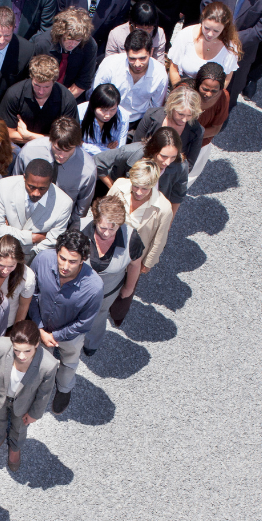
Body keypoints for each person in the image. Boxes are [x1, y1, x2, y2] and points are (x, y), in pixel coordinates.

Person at [29, 229, 104, 414]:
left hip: (71, 335)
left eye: (72, 261)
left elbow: (84, 323)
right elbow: (31, 294)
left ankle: (64, 389)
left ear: (83, 259)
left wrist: (55, 336)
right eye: (62, 258)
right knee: (40, 362)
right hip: (41, 328)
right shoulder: (42, 260)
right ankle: (38, 390)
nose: (65, 266)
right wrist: (40, 329)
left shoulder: (94, 286)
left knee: (69, 364)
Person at [0, 319, 57, 469]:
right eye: (17, 350)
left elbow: (44, 393)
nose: (21, 356)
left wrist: (35, 413)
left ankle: (15, 447)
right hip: (1, 396)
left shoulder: (48, 364)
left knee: (20, 427)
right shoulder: (2, 345)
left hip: (25, 403)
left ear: (36, 344)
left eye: (27, 351)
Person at [81, 193, 144, 353]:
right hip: (77, 289)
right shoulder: (79, 228)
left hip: (107, 293)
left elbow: (135, 265)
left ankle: (91, 344)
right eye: (102, 228)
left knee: (98, 318)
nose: (107, 233)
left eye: (113, 228)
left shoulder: (131, 237)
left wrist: (128, 289)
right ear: (95, 220)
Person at [15, 115, 97, 225]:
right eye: (57, 149)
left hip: (59, 225)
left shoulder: (87, 170)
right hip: (23, 217)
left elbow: (80, 210)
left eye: (68, 150)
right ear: (51, 140)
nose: (61, 155)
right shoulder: (29, 152)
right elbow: (14, 186)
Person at [106, 157, 173, 290]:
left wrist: (147, 264)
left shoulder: (164, 208)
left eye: (145, 189)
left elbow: (159, 240)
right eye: (135, 186)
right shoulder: (119, 185)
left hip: (132, 258)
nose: (138, 192)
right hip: (107, 245)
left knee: (123, 291)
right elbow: (103, 211)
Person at [0, 158, 73, 258]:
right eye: (31, 187)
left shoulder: (64, 203)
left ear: (51, 182)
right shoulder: (6, 186)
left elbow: (53, 241)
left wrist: (9, 231)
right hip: (0, 251)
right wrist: (32, 238)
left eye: (42, 188)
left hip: (33, 257)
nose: (36, 193)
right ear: (24, 177)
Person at [95, 125, 186, 213]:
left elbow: (177, 195)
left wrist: (169, 219)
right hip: (121, 207)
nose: (168, 162)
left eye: (173, 157)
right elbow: (98, 161)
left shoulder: (181, 166)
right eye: (163, 156)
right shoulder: (131, 152)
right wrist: (114, 187)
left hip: (149, 211)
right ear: (154, 149)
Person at [92, 28, 169, 131]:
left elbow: (156, 107)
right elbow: (96, 97)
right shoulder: (109, 65)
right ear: (126, 52)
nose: (137, 64)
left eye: (142, 58)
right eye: (132, 59)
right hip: (108, 117)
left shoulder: (160, 74)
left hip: (139, 122)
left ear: (151, 52)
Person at [0, 53, 79, 146]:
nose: (41, 91)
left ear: (54, 82)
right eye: (37, 85)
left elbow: (70, 139)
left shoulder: (67, 100)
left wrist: (29, 135)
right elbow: (6, 134)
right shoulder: (14, 94)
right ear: (31, 78)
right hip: (17, 147)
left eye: (46, 87)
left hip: (53, 150)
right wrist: (45, 139)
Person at [133, 82, 204, 179]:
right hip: (142, 169)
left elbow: (188, 165)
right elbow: (136, 146)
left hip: (170, 176)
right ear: (171, 106)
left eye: (189, 115)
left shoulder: (197, 131)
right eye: (180, 114)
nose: (184, 120)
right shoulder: (151, 116)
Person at [167, 0, 242, 86]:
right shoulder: (185, 35)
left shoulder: (230, 47)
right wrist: (179, 92)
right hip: (183, 85)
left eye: (216, 31)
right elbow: (173, 68)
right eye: (206, 28)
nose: (210, 34)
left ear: (224, 28)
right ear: (202, 21)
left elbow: (227, 77)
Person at [32, 8, 97, 102]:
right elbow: (32, 77)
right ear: (60, 33)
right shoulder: (42, 43)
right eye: (69, 38)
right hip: (40, 94)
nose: (73, 44)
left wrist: (61, 101)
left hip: (70, 97)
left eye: (78, 40)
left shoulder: (89, 46)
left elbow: (84, 82)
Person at [187, 60, 228, 184]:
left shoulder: (223, 98)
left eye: (214, 91)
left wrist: (193, 136)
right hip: (176, 140)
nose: (208, 94)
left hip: (200, 143)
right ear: (197, 83)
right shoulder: (184, 92)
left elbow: (216, 128)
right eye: (205, 89)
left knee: (188, 177)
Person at [104, 0, 168, 63]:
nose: (145, 31)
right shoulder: (116, 34)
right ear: (132, 23)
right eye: (141, 28)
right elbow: (110, 62)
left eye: (149, 28)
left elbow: (159, 62)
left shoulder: (159, 33)